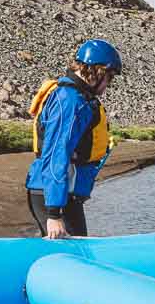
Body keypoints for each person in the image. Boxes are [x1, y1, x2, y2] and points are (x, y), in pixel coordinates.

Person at [25, 39, 120, 238]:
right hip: (53, 195)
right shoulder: (70, 101)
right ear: (97, 71)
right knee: (76, 257)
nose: (108, 85)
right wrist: (54, 213)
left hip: (59, 194)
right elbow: (56, 154)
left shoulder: (78, 98)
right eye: (109, 77)